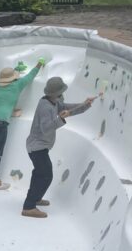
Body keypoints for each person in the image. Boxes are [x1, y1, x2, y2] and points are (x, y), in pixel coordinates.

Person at [22, 76, 95, 219]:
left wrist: (85, 104)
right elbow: (46, 129)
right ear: (56, 93)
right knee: (45, 175)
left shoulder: (54, 102)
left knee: (39, 174)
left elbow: (69, 109)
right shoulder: (45, 106)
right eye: (61, 92)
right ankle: (29, 207)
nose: (62, 95)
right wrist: (61, 118)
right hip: (36, 147)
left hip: (40, 147)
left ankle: (35, 198)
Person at [0, 60, 44, 190]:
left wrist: (16, 69)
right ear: (14, 78)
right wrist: (39, 64)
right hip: (0, 122)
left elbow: (5, 87)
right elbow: (31, 76)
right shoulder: (17, 85)